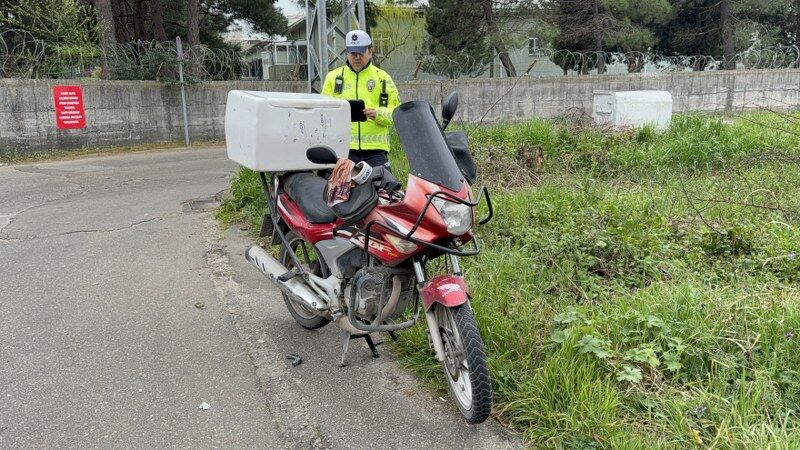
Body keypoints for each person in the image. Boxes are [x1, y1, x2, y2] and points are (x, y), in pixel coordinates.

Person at [321, 30, 400, 169]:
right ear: (347, 53)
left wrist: (378, 114)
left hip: (375, 152)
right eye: (352, 53)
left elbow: (397, 114)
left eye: (360, 53)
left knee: (383, 190)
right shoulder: (333, 78)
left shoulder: (383, 78)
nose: (356, 57)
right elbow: (323, 113)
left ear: (370, 52)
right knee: (340, 190)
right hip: (343, 150)